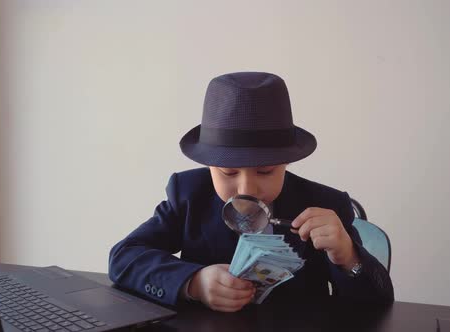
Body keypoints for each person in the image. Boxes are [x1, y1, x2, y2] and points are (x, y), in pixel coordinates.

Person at [108, 72, 394, 312]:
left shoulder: (326, 204)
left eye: (266, 171)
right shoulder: (188, 195)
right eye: (229, 173)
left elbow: (378, 309)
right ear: (208, 165)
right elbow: (123, 257)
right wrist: (193, 282)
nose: (247, 190)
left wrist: (348, 257)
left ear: (287, 161)